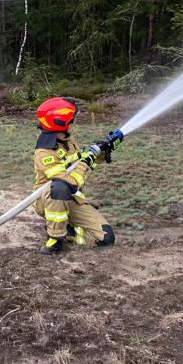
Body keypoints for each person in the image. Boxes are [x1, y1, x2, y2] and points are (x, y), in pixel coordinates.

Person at [33, 96, 116, 255]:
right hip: (50, 200)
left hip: (72, 199)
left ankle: (69, 231)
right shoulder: (44, 152)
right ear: (60, 123)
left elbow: (79, 165)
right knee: (60, 187)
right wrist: (85, 162)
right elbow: (70, 182)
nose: (73, 123)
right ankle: (55, 238)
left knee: (106, 238)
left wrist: (100, 154)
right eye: (71, 120)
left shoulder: (67, 141)